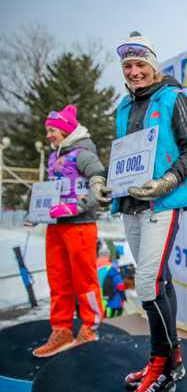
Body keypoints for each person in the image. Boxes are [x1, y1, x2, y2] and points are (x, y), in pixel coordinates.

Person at [89, 31, 187, 392]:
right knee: (159, 281)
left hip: (162, 202)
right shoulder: (123, 107)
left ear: (153, 65)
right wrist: (104, 181)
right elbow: (124, 156)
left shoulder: (173, 98)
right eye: (128, 66)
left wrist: (167, 181)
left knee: (148, 284)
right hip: (131, 203)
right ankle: (173, 359)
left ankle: (160, 366)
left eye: (140, 64)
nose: (134, 71)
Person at [32, 104, 105, 358]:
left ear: (65, 130)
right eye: (48, 131)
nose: (48, 135)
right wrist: (37, 212)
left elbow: (101, 187)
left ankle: (90, 327)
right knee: (58, 279)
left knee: (84, 280)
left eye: (52, 130)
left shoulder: (84, 154)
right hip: (56, 227)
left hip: (80, 226)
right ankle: (61, 330)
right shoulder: (54, 156)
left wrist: (75, 207)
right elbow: (52, 191)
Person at [96, 245, 126, 318]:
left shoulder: (94, 265)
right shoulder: (112, 266)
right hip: (111, 295)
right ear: (108, 255)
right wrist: (123, 295)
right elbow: (119, 283)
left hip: (97, 295)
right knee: (112, 315)